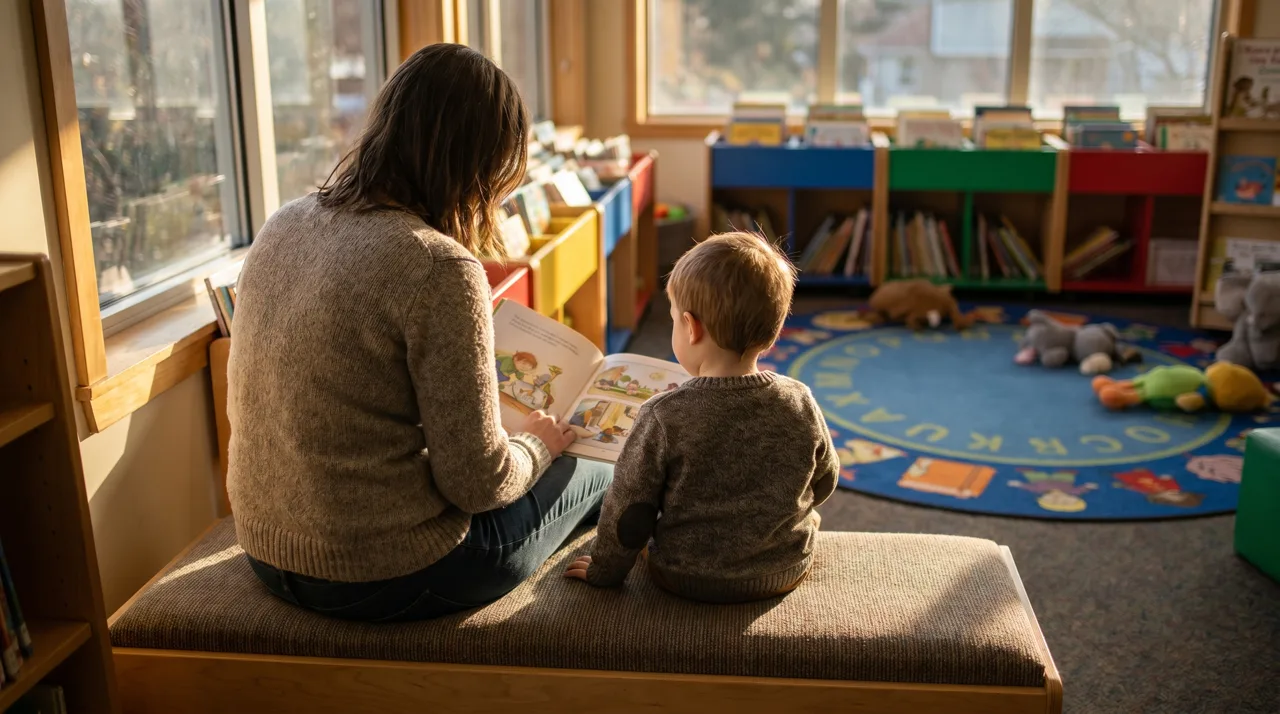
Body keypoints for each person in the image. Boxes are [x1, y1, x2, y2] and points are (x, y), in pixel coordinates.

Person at [226, 44, 612, 622]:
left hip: (266, 547)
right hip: (386, 571)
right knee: (593, 463)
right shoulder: (436, 266)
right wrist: (539, 445)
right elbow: (479, 485)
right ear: (479, 164)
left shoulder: (285, 221)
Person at [565, 233, 839, 603]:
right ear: (772, 332)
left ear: (691, 328)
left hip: (685, 575)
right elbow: (825, 479)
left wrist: (604, 569)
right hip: (783, 568)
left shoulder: (664, 414)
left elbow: (630, 511)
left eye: (675, 319)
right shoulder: (800, 399)